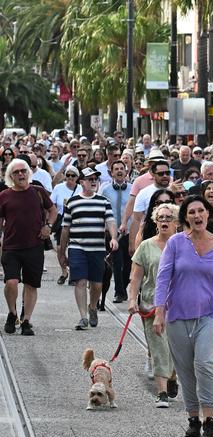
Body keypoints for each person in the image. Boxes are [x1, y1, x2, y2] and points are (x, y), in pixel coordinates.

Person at [153, 195, 213, 437]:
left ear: (208, 214)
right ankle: (193, 417)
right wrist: (160, 312)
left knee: (206, 364)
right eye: (191, 212)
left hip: (210, 315)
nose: (197, 216)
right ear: (185, 217)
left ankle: (209, 418)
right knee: (185, 369)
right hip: (178, 315)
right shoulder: (176, 243)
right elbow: (163, 278)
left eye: (201, 211)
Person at [128, 203, 179, 408]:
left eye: (169, 218)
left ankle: (172, 375)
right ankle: (162, 392)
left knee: (176, 349)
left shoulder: (185, 244)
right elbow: (136, 276)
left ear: (177, 223)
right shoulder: (146, 246)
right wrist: (132, 299)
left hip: (179, 305)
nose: (164, 221)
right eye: (161, 218)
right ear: (155, 222)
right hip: (151, 304)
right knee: (158, 348)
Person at [0, 159, 58, 336]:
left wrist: (48, 226)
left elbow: (53, 210)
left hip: (34, 246)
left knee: (31, 284)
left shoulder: (38, 191)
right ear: (11, 176)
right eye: (16, 172)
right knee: (11, 282)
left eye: (23, 171)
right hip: (11, 247)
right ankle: (12, 313)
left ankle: (26, 321)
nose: (21, 174)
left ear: (28, 173)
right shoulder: (4, 195)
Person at [60, 167, 119, 331]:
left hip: (97, 249)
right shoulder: (72, 202)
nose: (93, 181)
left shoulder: (103, 201)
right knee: (80, 281)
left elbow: (110, 222)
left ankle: (93, 306)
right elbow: (65, 229)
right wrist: (62, 252)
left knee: (97, 285)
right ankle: (83, 316)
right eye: (90, 179)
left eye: (95, 178)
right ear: (82, 182)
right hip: (77, 247)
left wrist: (114, 238)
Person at [99, 160, 133, 304]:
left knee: (129, 264)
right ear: (111, 173)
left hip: (130, 232)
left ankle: (124, 289)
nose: (119, 171)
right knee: (117, 263)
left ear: (126, 172)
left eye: (122, 169)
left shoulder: (133, 189)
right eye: (116, 169)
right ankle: (119, 292)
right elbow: (100, 209)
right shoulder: (105, 189)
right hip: (113, 233)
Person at [50, 165, 80, 285]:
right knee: (59, 248)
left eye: (73, 175)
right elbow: (51, 205)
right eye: (68, 175)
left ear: (77, 177)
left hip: (76, 222)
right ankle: (64, 271)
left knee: (73, 249)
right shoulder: (58, 188)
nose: (70, 178)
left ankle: (73, 273)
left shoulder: (80, 189)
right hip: (62, 222)